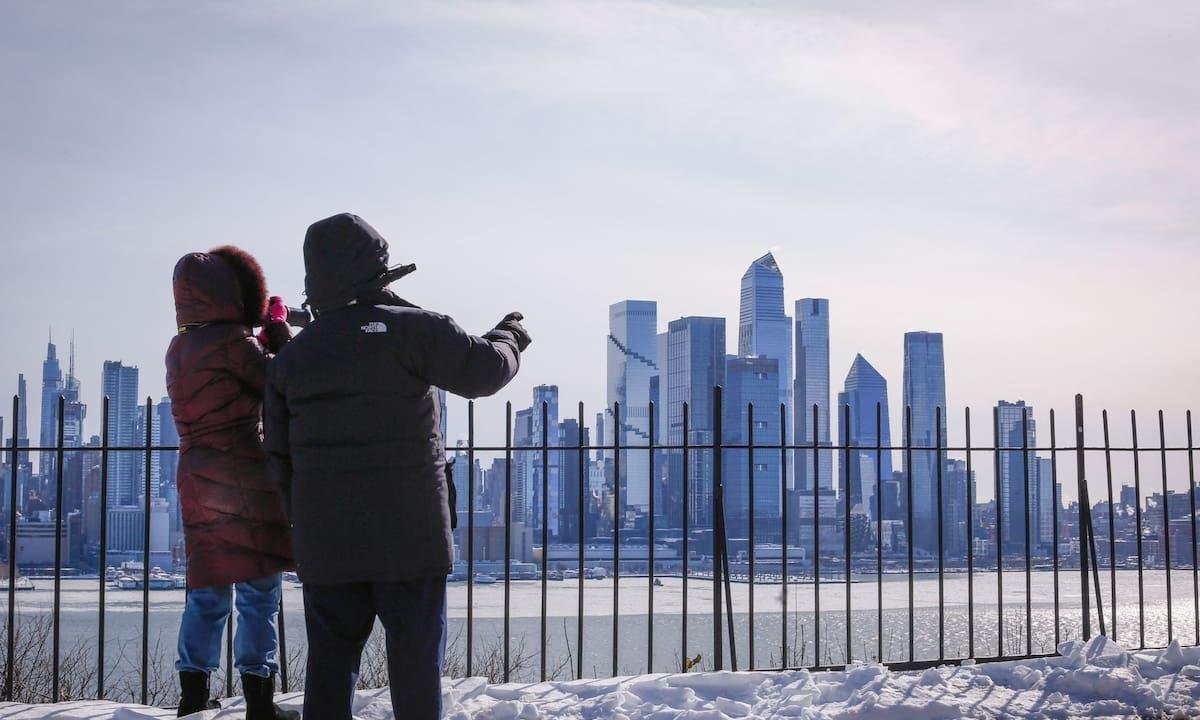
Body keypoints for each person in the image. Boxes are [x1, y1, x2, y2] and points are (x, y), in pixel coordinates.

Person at [264, 213, 530, 720]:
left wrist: (304, 524)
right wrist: (509, 337)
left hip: (327, 541)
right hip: (412, 537)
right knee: (415, 666)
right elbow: (485, 372)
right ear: (379, 269)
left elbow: (277, 460)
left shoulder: (293, 358)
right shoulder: (413, 329)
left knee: (329, 665)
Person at [165, 247, 300, 719]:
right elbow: (280, 380)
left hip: (197, 480)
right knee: (259, 595)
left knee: (206, 592)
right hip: (244, 475)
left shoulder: (179, 348)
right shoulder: (234, 343)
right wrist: (275, 332)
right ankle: (260, 701)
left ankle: (193, 698)